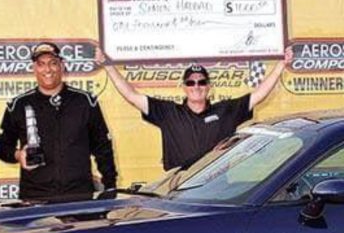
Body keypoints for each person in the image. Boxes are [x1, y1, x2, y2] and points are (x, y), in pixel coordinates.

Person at [96, 46, 293, 171]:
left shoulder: (225, 110)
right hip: (176, 185)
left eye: (201, 82)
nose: (196, 86)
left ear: (209, 86)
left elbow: (259, 95)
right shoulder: (167, 112)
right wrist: (109, 66)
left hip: (217, 185)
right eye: (190, 83)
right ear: (184, 87)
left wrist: (280, 66)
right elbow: (131, 95)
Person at [0, 42, 117, 202]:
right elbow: (1, 147)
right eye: (41, 64)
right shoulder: (19, 104)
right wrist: (18, 155)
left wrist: (110, 186)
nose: (48, 69)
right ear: (34, 68)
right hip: (35, 198)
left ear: (62, 66)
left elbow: (103, 148)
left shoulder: (85, 101)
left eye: (53, 63)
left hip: (79, 196)